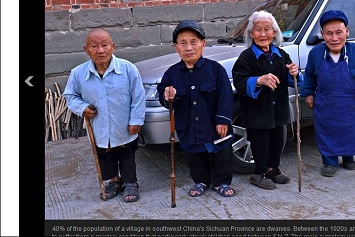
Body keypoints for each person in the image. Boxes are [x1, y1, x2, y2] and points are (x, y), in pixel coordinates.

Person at [63, 28, 146, 203]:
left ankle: (131, 183)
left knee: (127, 154)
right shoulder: (78, 73)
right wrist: (82, 107)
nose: (100, 50)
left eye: (104, 45)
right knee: (105, 155)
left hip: (124, 125)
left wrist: (136, 120)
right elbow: (70, 96)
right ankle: (114, 181)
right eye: (94, 46)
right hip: (99, 126)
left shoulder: (128, 69)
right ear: (86, 49)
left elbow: (138, 96)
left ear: (112, 47)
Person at [157, 20, 236, 198]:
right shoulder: (171, 73)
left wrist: (223, 119)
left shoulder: (215, 70)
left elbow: (226, 96)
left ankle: (221, 182)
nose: (189, 47)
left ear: (203, 44)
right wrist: (167, 95)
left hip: (213, 124)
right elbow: (162, 94)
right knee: (195, 156)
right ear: (176, 47)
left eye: (194, 42)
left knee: (221, 153)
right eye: (183, 43)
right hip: (189, 126)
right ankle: (200, 181)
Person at [299, 10, 355, 177]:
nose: (334, 38)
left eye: (339, 32)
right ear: (322, 34)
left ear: (347, 31)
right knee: (326, 132)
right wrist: (308, 93)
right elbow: (309, 76)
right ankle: (329, 161)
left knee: (351, 131)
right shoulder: (316, 54)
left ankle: (349, 157)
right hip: (326, 104)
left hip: (352, 104)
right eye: (329, 34)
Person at [232, 10, 303, 190]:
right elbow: (239, 81)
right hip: (257, 112)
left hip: (278, 110)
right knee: (260, 143)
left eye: (267, 29)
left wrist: (295, 73)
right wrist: (258, 80)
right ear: (251, 34)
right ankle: (259, 173)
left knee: (277, 141)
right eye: (258, 30)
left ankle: (273, 169)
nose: (262, 34)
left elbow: (291, 78)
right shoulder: (246, 57)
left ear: (274, 33)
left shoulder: (280, 54)